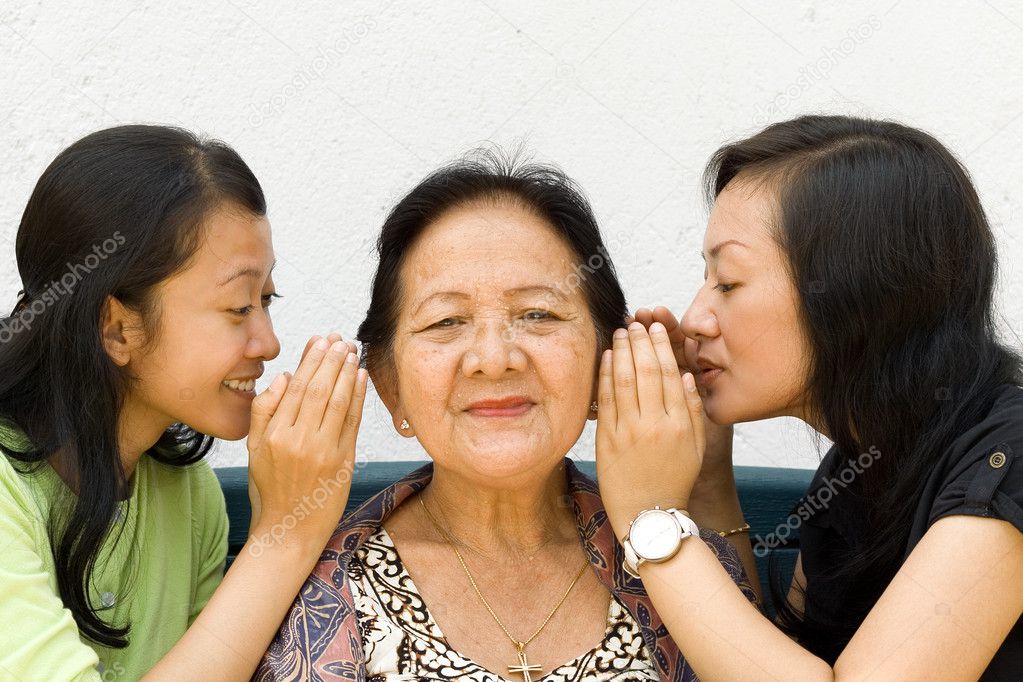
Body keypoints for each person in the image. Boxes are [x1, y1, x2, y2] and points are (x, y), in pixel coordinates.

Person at [255, 151, 757, 681]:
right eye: (445, 321)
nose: (493, 359)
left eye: (539, 314)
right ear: (389, 384)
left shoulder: (678, 561)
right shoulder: (311, 595)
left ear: (605, 364)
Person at [597, 114, 1023, 680]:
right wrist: (706, 479)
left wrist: (651, 523)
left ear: (860, 296)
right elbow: (770, 664)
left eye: (727, 283)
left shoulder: (1010, 459)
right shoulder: (857, 466)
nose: (695, 319)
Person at [0, 125, 368, 680]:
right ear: (118, 328)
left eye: (267, 300)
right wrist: (285, 537)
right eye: (238, 307)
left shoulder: (189, 496)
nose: (268, 343)